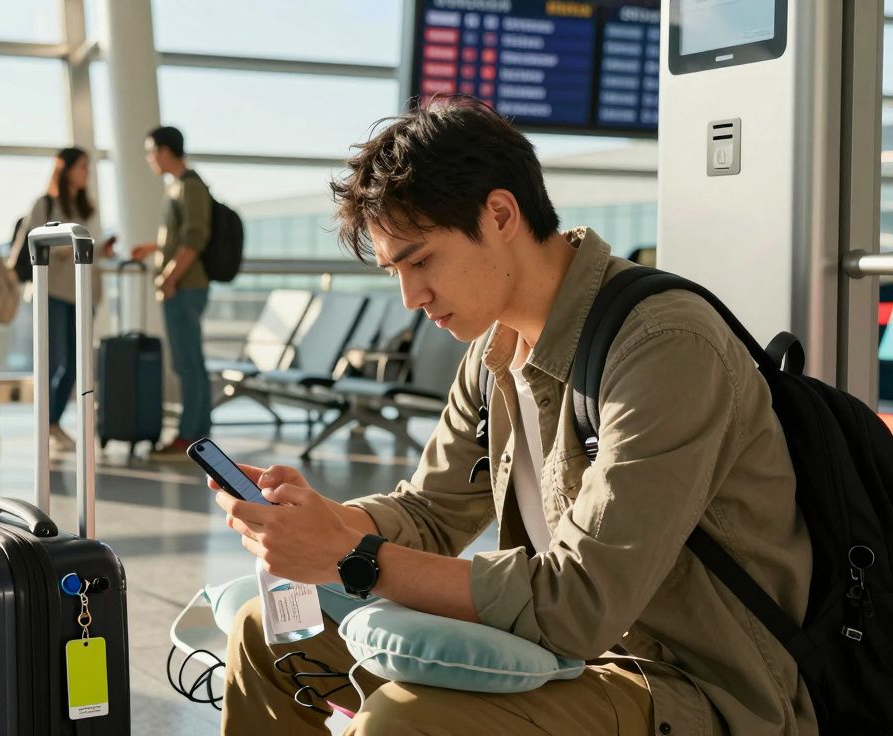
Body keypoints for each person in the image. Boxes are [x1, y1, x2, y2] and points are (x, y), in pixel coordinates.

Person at [216, 98, 814, 735]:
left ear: (500, 214)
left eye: (420, 260)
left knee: (404, 721)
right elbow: (431, 512)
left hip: (688, 686)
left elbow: (580, 604)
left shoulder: (664, 346)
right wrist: (320, 523)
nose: (411, 297)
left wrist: (352, 555)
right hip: (560, 656)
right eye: (396, 271)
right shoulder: (493, 350)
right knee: (268, 633)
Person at [17, 147, 116, 453]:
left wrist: (103, 250)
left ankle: (53, 422)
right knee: (53, 359)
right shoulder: (45, 204)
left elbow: (89, 250)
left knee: (76, 363)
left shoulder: (88, 208)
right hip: (53, 292)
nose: (86, 172)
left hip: (84, 293)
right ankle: (46, 424)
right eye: (81, 166)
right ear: (66, 169)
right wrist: (64, 247)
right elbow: (32, 245)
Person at [132, 126, 213, 458]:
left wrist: (169, 278)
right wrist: (154, 248)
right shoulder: (179, 186)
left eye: (151, 151)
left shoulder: (190, 187)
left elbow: (195, 238)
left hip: (185, 286)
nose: (149, 158)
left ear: (165, 151)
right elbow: (181, 237)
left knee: (188, 364)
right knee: (188, 362)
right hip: (183, 284)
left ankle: (190, 437)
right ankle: (196, 433)